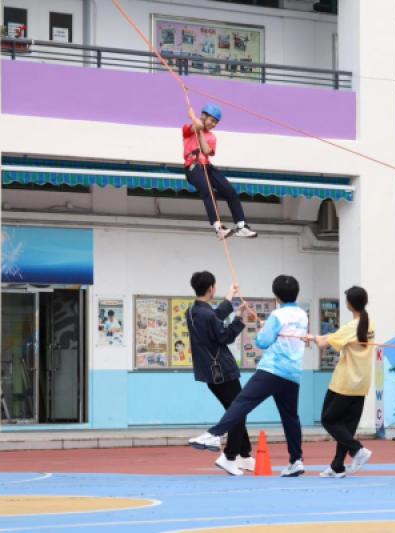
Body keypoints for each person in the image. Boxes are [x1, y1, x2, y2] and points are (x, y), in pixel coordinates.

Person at [206, 275, 309, 477]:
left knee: (242, 401)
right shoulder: (302, 315)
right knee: (290, 417)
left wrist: (263, 330)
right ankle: (296, 460)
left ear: (276, 295)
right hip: (293, 373)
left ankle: (214, 434)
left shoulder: (277, 315)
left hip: (272, 369)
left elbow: (262, 342)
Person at [185, 271, 254, 476]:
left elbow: (214, 317)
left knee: (235, 411)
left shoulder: (192, 311)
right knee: (238, 412)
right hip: (223, 371)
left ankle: (245, 455)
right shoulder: (206, 315)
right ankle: (230, 456)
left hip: (209, 373)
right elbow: (225, 336)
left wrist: (229, 296)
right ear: (211, 288)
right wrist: (239, 318)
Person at [307, 286, 375, 478]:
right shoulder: (369, 323)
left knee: (328, 420)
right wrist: (322, 337)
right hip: (361, 383)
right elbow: (337, 338)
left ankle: (357, 450)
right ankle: (337, 466)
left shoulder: (351, 327)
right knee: (347, 427)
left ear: (349, 304)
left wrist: (314, 338)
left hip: (345, 383)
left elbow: (323, 344)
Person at [184, 104, 257, 239]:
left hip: (207, 166)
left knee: (230, 191)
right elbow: (197, 125)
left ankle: (241, 226)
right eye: (212, 120)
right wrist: (193, 117)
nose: (213, 124)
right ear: (203, 116)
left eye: (216, 122)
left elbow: (206, 151)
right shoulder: (187, 129)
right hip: (193, 167)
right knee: (208, 191)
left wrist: (195, 120)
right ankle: (218, 228)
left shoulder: (212, 137)